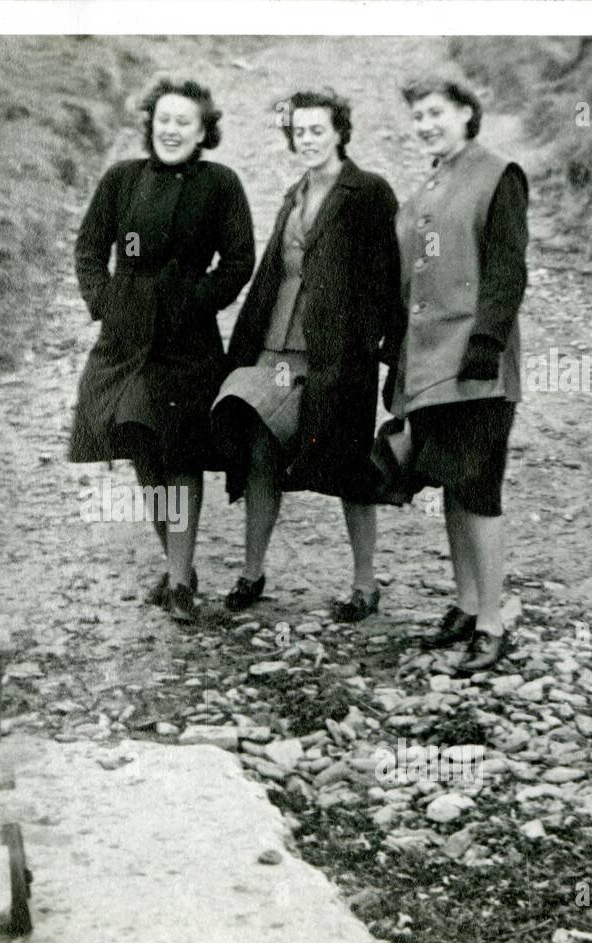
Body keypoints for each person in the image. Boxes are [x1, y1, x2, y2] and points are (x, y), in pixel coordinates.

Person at [70, 78, 255, 623]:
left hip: (187, 340)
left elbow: (240, 260)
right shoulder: (122, 180)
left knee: (180, 451)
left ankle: (178, 580)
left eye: (185, 123)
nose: (171, 130)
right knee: (135, 437)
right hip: (125, 338)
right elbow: (88, 248)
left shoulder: (221, 184)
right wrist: (105, 300)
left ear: (203, 132)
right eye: (164, 120)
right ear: (150, 122)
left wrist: (197, 301)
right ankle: (180, 565)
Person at [214, 89, 404, 618]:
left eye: (319, 130)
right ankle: (251, 572)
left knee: (348, 462)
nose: (309, 140)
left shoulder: (368, 192)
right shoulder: (294, 194)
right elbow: (273, 274)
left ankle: (365, 585)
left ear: (340, 131)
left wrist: (376, 346)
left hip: (338, 354)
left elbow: (389, 274)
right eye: (300, 132)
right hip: (277, 346)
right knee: (258, 446)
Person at [384, 74, 529, 673]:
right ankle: (466, 605)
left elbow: (506, 267)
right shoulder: (426, 187)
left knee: (479, 487)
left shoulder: (498, 174)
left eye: (435, 112)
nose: (425, 124)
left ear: (467, 112)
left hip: (476, 363)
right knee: (449, 482)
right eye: (417, 115)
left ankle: (493, 624)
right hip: (428, 363)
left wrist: (488, 340)